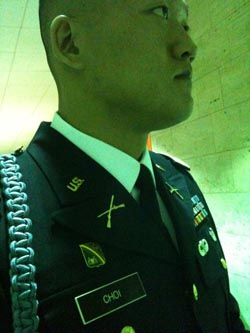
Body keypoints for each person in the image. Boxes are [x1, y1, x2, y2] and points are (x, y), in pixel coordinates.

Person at [0, 0, 248, 332]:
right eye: (160, 13)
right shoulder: (11, 222)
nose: (188, 46)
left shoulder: (179, 182)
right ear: (70, 42)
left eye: (185, 23)